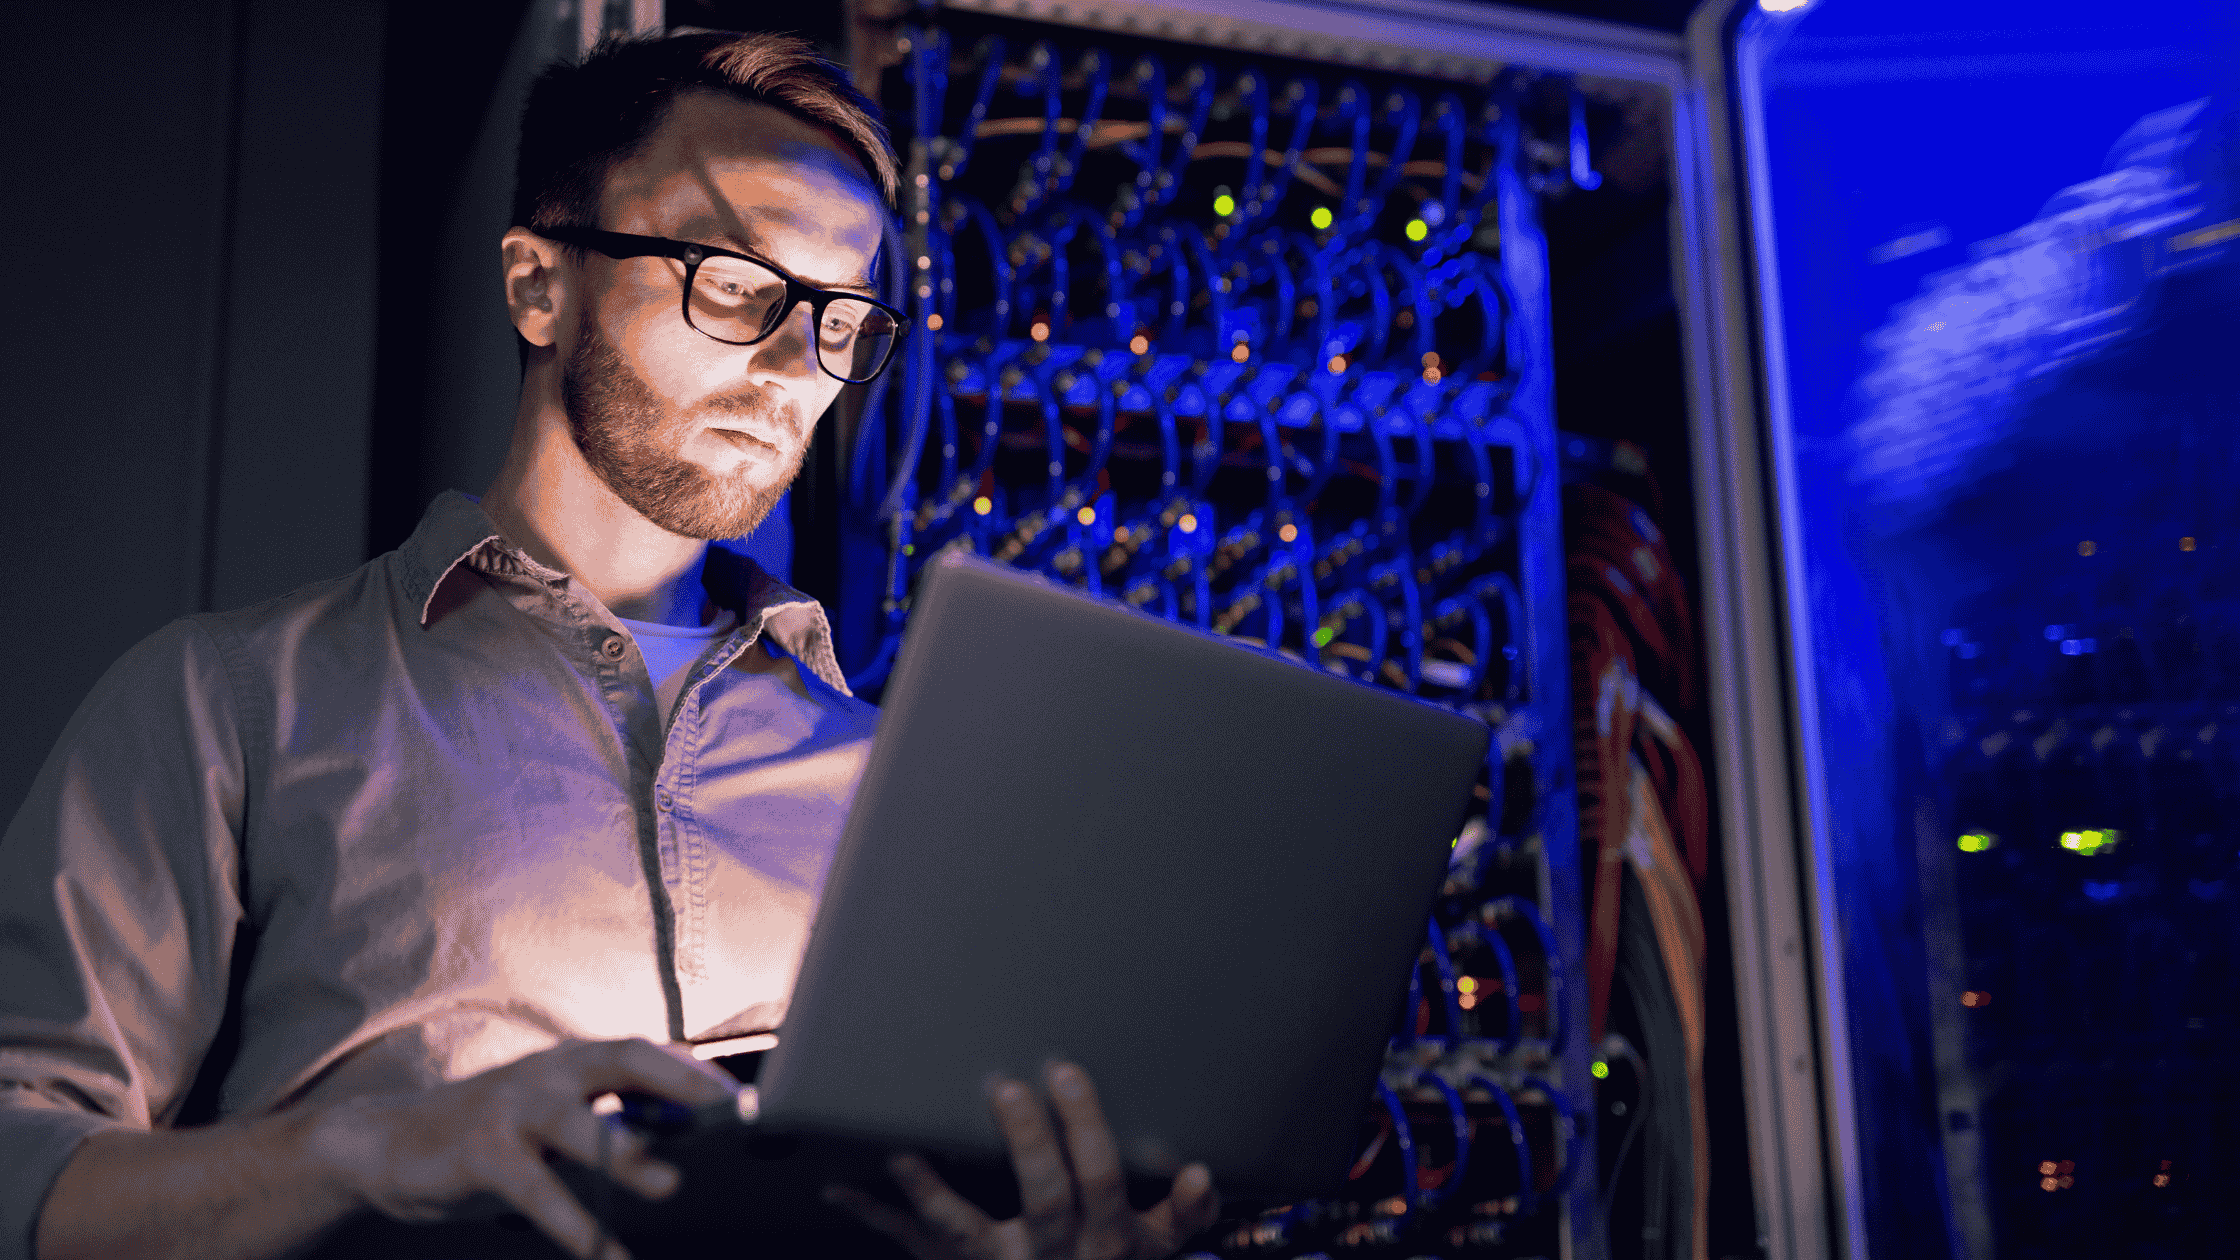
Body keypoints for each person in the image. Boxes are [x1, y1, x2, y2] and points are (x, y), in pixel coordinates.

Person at [0, 31, 1219, 1260]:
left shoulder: (898, 788)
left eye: (842, 315)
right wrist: (380, 1149)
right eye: (737, 282)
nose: (796, 369)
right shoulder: (232, 704)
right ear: (539, 284)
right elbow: (17, 1165)